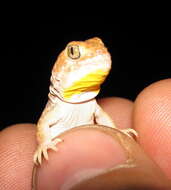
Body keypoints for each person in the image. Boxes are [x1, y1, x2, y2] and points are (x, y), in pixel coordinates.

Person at [0, 79, 171, 190]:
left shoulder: (90, 102)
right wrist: (44, 142)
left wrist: (116, 132)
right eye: (74, 53)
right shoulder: (58, 105)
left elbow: (100, 116)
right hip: (59, 153)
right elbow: (43, 124)